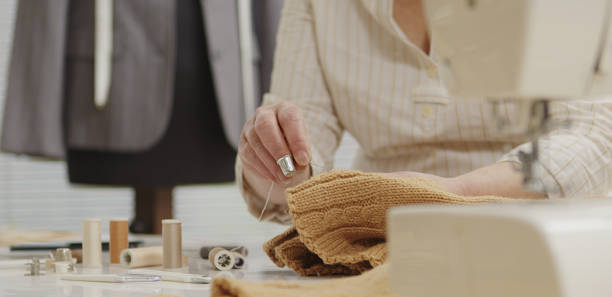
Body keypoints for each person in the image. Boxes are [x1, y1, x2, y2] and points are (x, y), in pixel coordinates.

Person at [236, 0, 612, 224]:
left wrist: (456, 193)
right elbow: (301, 151)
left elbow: (596, 136)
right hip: (383, 248)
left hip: (547, 233)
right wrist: (282, 169)